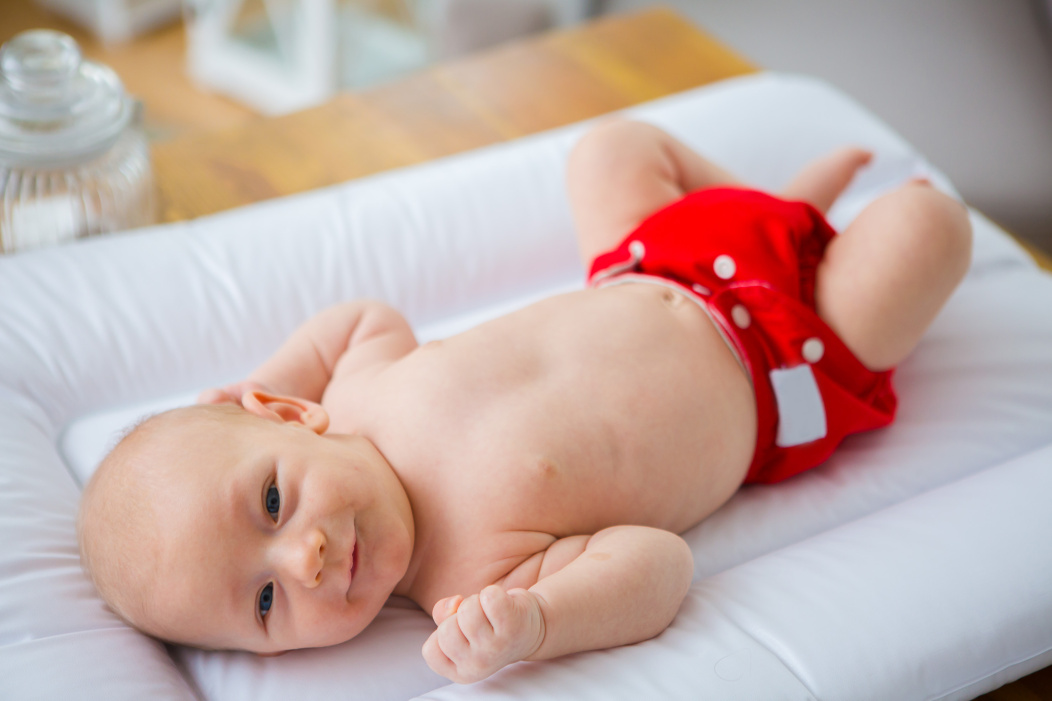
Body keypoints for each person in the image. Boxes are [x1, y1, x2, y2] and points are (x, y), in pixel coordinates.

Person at [77, 119, 972, 684]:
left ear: (286, 413)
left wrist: (272, 370)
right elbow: (659, 566)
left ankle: (771, 210)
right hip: (787, 358)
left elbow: (361, 317)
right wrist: (541, 623)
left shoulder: (356, 391)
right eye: (266, 603)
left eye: (272, 501)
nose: (305, 558)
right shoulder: (473, 581)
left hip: (653, 263)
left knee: (610, 150)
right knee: (928, 228)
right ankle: (828, 244)